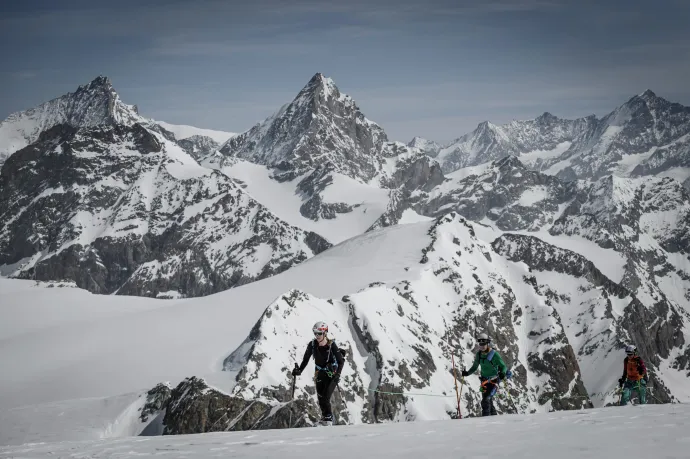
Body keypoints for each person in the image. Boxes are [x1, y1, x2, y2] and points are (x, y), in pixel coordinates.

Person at [292, 321, 345, 425]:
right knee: (320, 398)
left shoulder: (332, 345)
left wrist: (338, 374)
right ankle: (325, 418)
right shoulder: (312, 345)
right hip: (319, 374)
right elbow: (306, 359)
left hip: (332, 375)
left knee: (326, 397)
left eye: (319, 333)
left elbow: (340, 361)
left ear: (325, 333)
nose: (317, 335)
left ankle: (329, 419)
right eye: (315, 333)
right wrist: (299, 371)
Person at [459, 333, 510, 416]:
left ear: (488, 343)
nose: (482, 346)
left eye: (484, 344)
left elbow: (503, 366)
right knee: (488, 401)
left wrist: (503, 373)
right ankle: (494, 419)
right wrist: (467, 373)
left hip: (494, 381)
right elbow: (475, 366)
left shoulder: (494, 354)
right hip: (484, 381)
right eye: (480, 344)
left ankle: (485, 421)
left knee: (486, 401)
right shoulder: (479, 355)